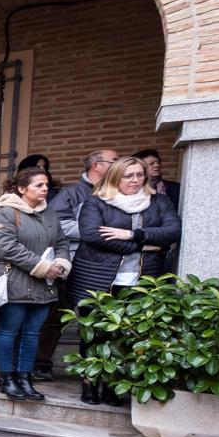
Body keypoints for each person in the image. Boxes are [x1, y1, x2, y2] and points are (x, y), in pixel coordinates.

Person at [69, 156, 181, 405]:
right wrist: (145, 246)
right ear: (115, 177)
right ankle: (89, 383)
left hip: (141, 280)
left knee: (126, 336)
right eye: (128, 175)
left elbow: (173, 231)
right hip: (97, 279)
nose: (135, 180)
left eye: (140, 175)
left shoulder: (159, 202)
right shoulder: (95, 203)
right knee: (93, 334)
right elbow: (92, 236)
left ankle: (113, 385)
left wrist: (133, 234)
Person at [0, 168, 71, 401]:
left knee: (33, 332)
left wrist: (62, 263)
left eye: (47, 184)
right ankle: (7, 378)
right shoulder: (6, 212)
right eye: (39, 185)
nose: (45, 189)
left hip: (44, 284)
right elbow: (7, 248)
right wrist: (45, 267)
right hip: (14, 280)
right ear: (22, 189)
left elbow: (62, 242)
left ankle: (25, 378)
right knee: (8, 331)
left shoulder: (50, 214)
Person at [35, 148, 117, 381]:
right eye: (115, 161)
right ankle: (41, 363)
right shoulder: (72, 193)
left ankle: (95, 371)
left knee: (96, 320)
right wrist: (96, 233)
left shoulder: (116, 195)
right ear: (97, 166)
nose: (120, 165)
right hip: (71, 264)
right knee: (54, 317)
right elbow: (55, 224)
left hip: (102, 267)